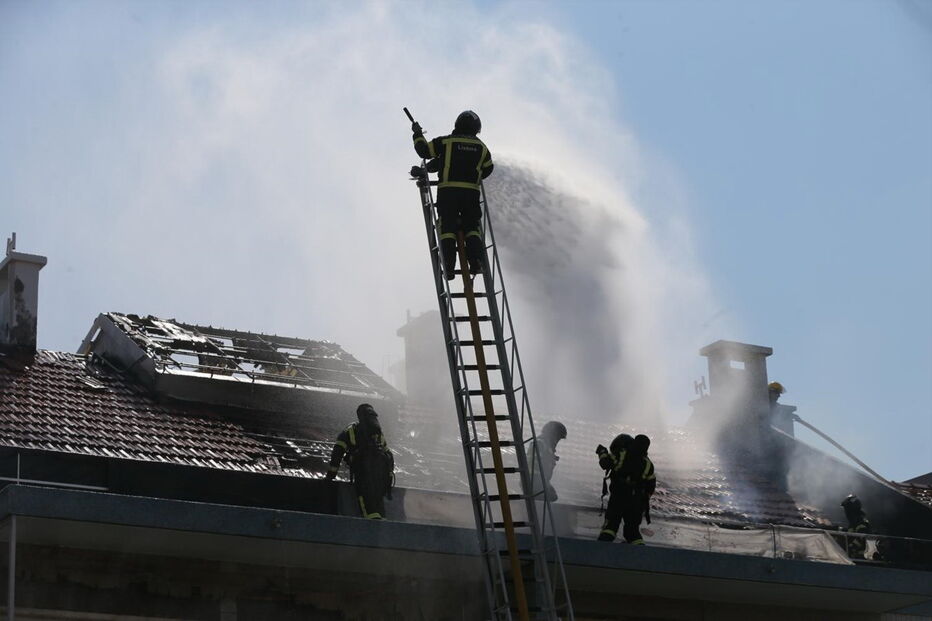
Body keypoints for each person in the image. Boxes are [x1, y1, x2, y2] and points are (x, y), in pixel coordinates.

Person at [411, 110, 494, 280]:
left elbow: (424, 151)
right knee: (472, 228)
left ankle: (448, 265)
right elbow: (488, 169)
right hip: (471, 195)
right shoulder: (482, 148)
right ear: (476, 129)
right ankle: (476, 261)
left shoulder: (446, 142)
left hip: (448, 193)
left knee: (447, 228)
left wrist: (417, 134)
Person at [326, 404, 395, 520]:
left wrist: (330, 477)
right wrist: (388, 477)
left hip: (363, 471)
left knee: (366, 503)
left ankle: (370, 527)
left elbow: (336, 455)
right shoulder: (378, 433)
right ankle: (381, 525)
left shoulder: (349, 431)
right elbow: (389, 455)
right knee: (379, 504)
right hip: (381, 473)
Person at [596, 433, 656, 544]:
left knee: (610, 527)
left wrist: (602, 453)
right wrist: (640, 501)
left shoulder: (621, 454)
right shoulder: (648, 464)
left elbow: (605, 464)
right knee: (632, 533)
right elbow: (651, 487)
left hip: (619, 497)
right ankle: (639, 555)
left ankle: (599, 554)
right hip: (637, 502)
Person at [528, 421, 567, 502]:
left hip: (541, 481)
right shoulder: (540, 443)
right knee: (551, 496)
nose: (557, 441)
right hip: (534, 481)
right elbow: (533, 464)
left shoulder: (546, 445)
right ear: (553, 435)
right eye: (558, 438)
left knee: (552, 495)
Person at [841, 494, 871, 559]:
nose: (846, 512)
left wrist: (851, 546)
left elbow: (862, 538)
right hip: (853, 558)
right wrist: (838, 529)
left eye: (847, 508)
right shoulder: (853, 522)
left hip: (860, 559)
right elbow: (851, 533)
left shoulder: (860, 521)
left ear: (852, 509)